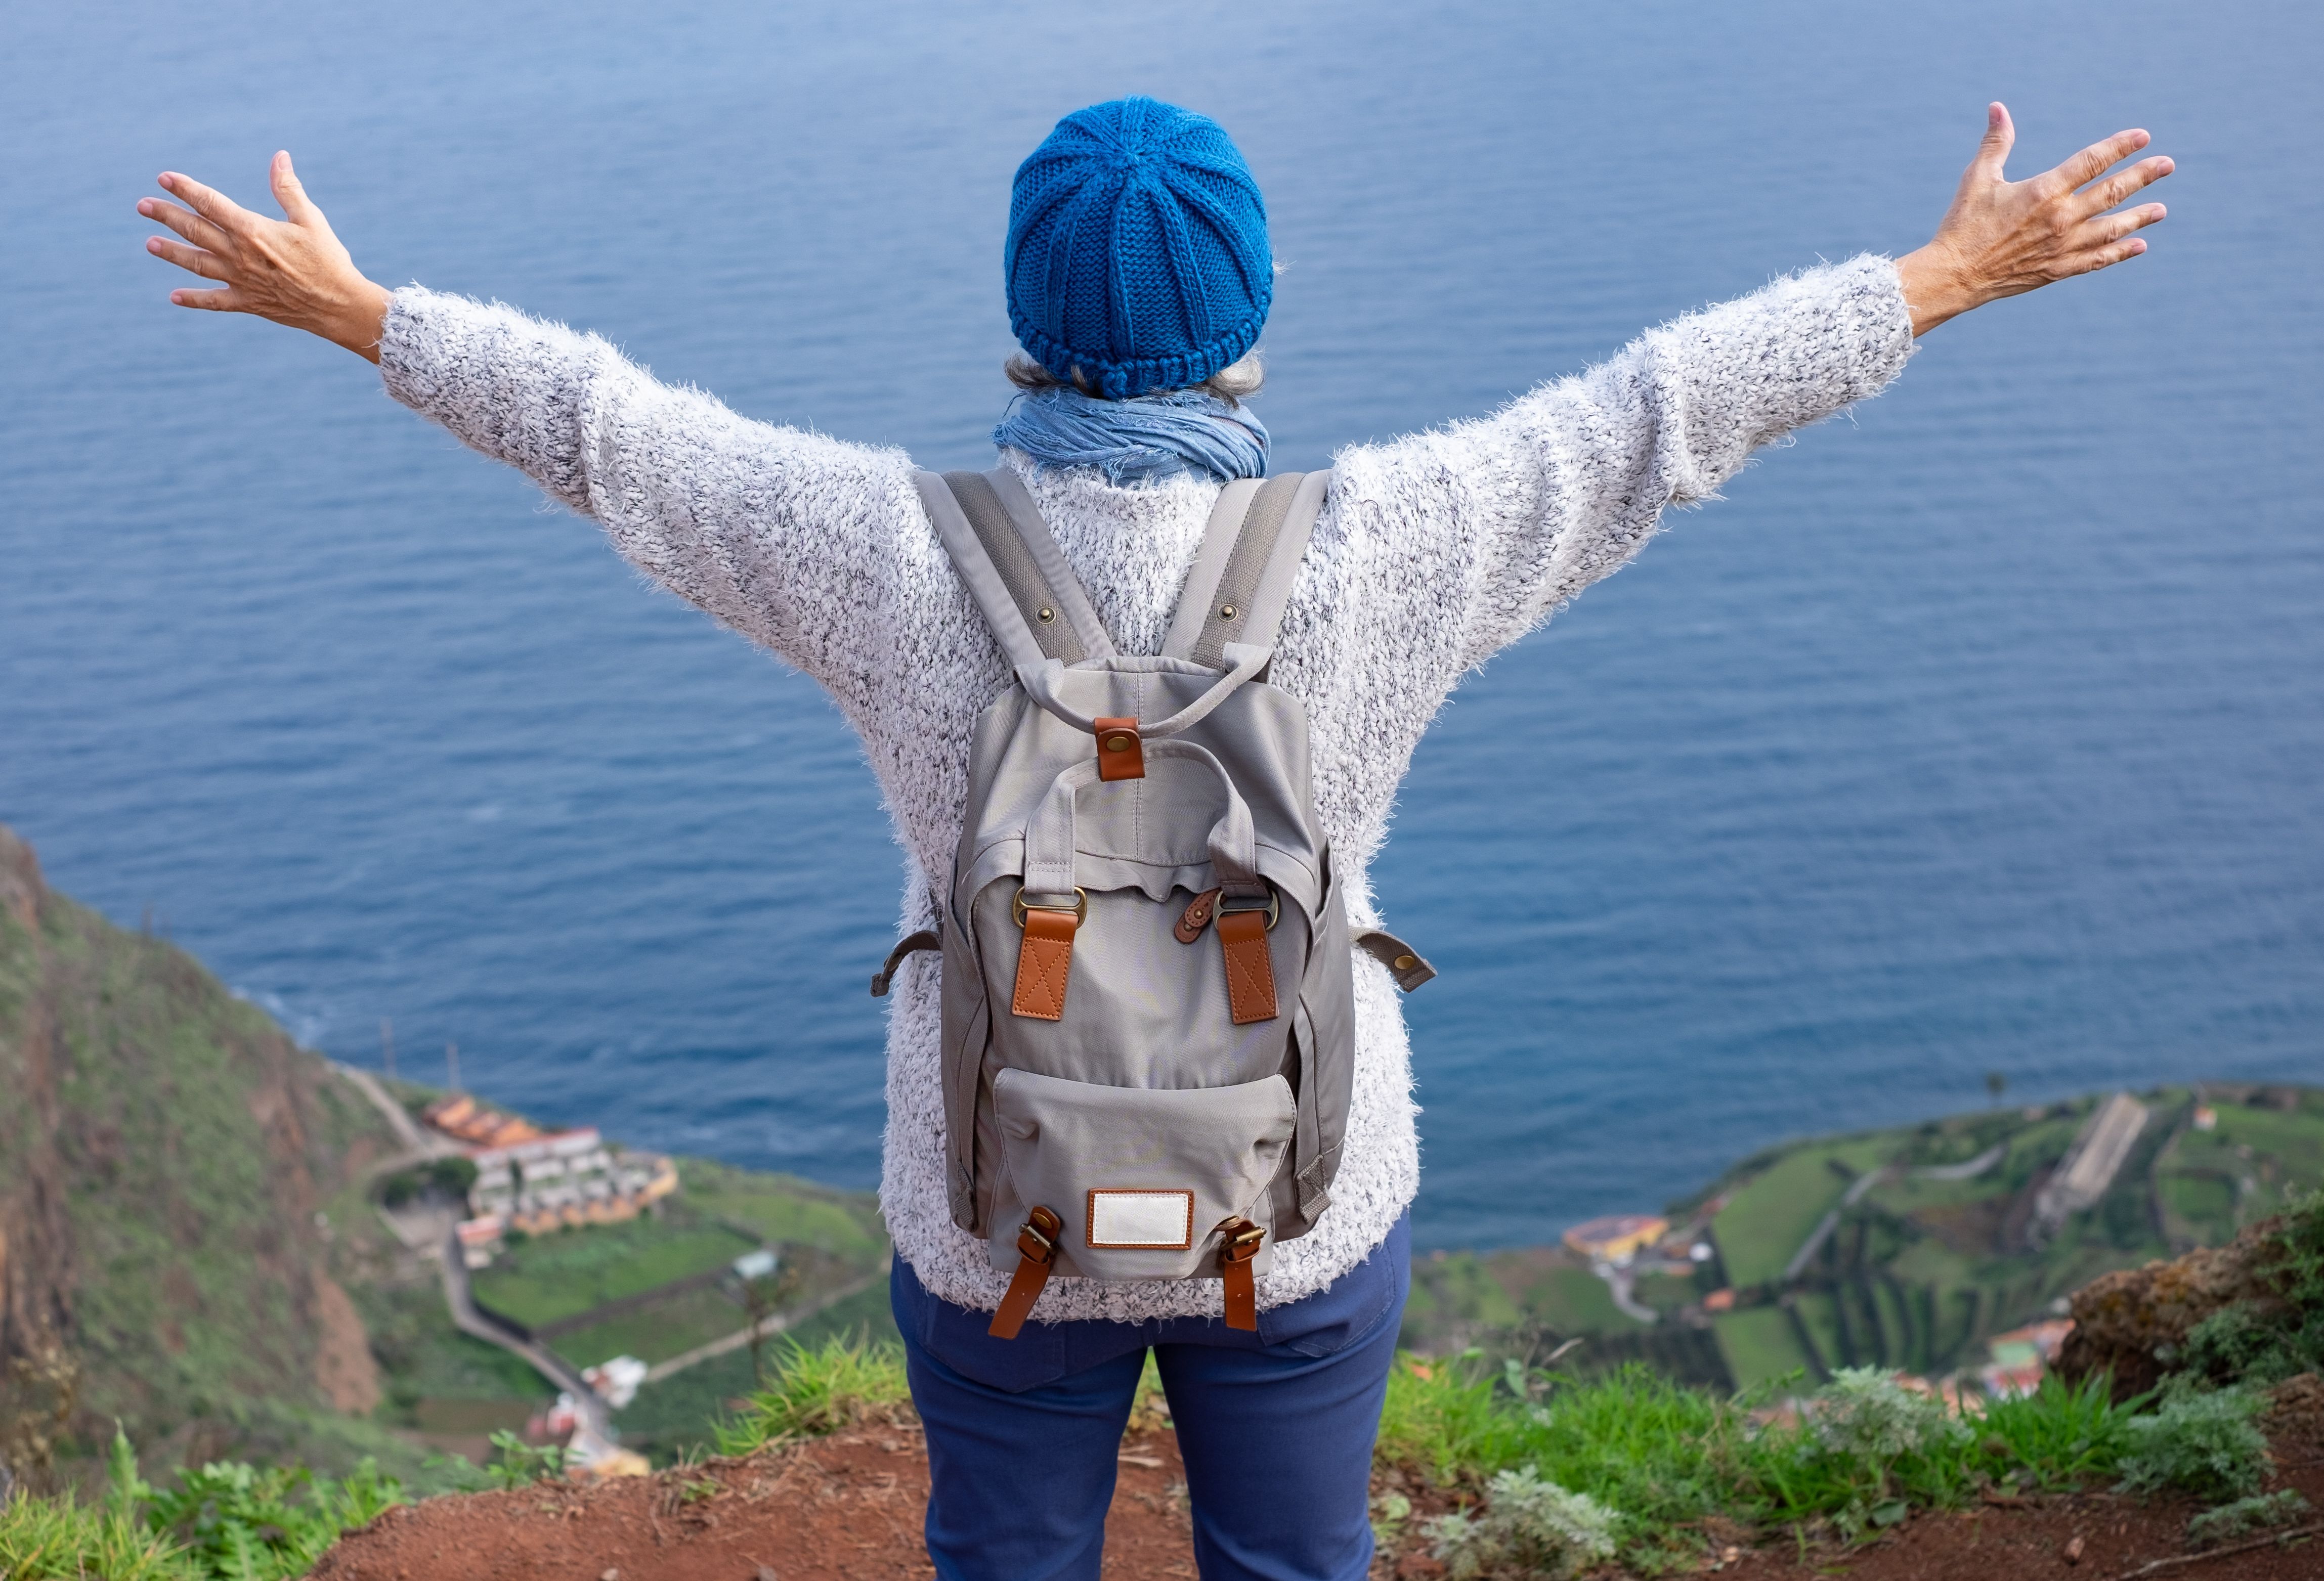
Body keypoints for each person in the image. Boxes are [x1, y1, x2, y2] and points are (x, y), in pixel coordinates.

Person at [138, 96, 2169, 1581]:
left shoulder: (885, 560)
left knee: (1006, 1560)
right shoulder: (1383, 551)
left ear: (1023, 313)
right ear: (1251, 318)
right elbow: (1656, 418)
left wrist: (358, 310)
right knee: (1293, 1565)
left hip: (992, 1205)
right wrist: (1955, 272)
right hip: (1293, 1211)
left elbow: (606, 431)